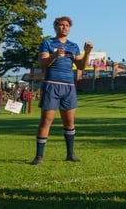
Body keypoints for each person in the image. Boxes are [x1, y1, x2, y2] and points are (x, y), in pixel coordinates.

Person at [30, 16, 93, 165]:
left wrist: (87, 53)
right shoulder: (47, 43)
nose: (64, 27)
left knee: (69, 121)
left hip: (69, 87)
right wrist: (54, 55)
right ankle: (39, 156)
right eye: (61, 25)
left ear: (69, 28)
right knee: (46, 120)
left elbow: (81, 66)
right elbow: (42, 64)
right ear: (55, 27)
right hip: (52, 85)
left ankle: (70, 154)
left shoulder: (73, 46)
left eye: (67, 25)